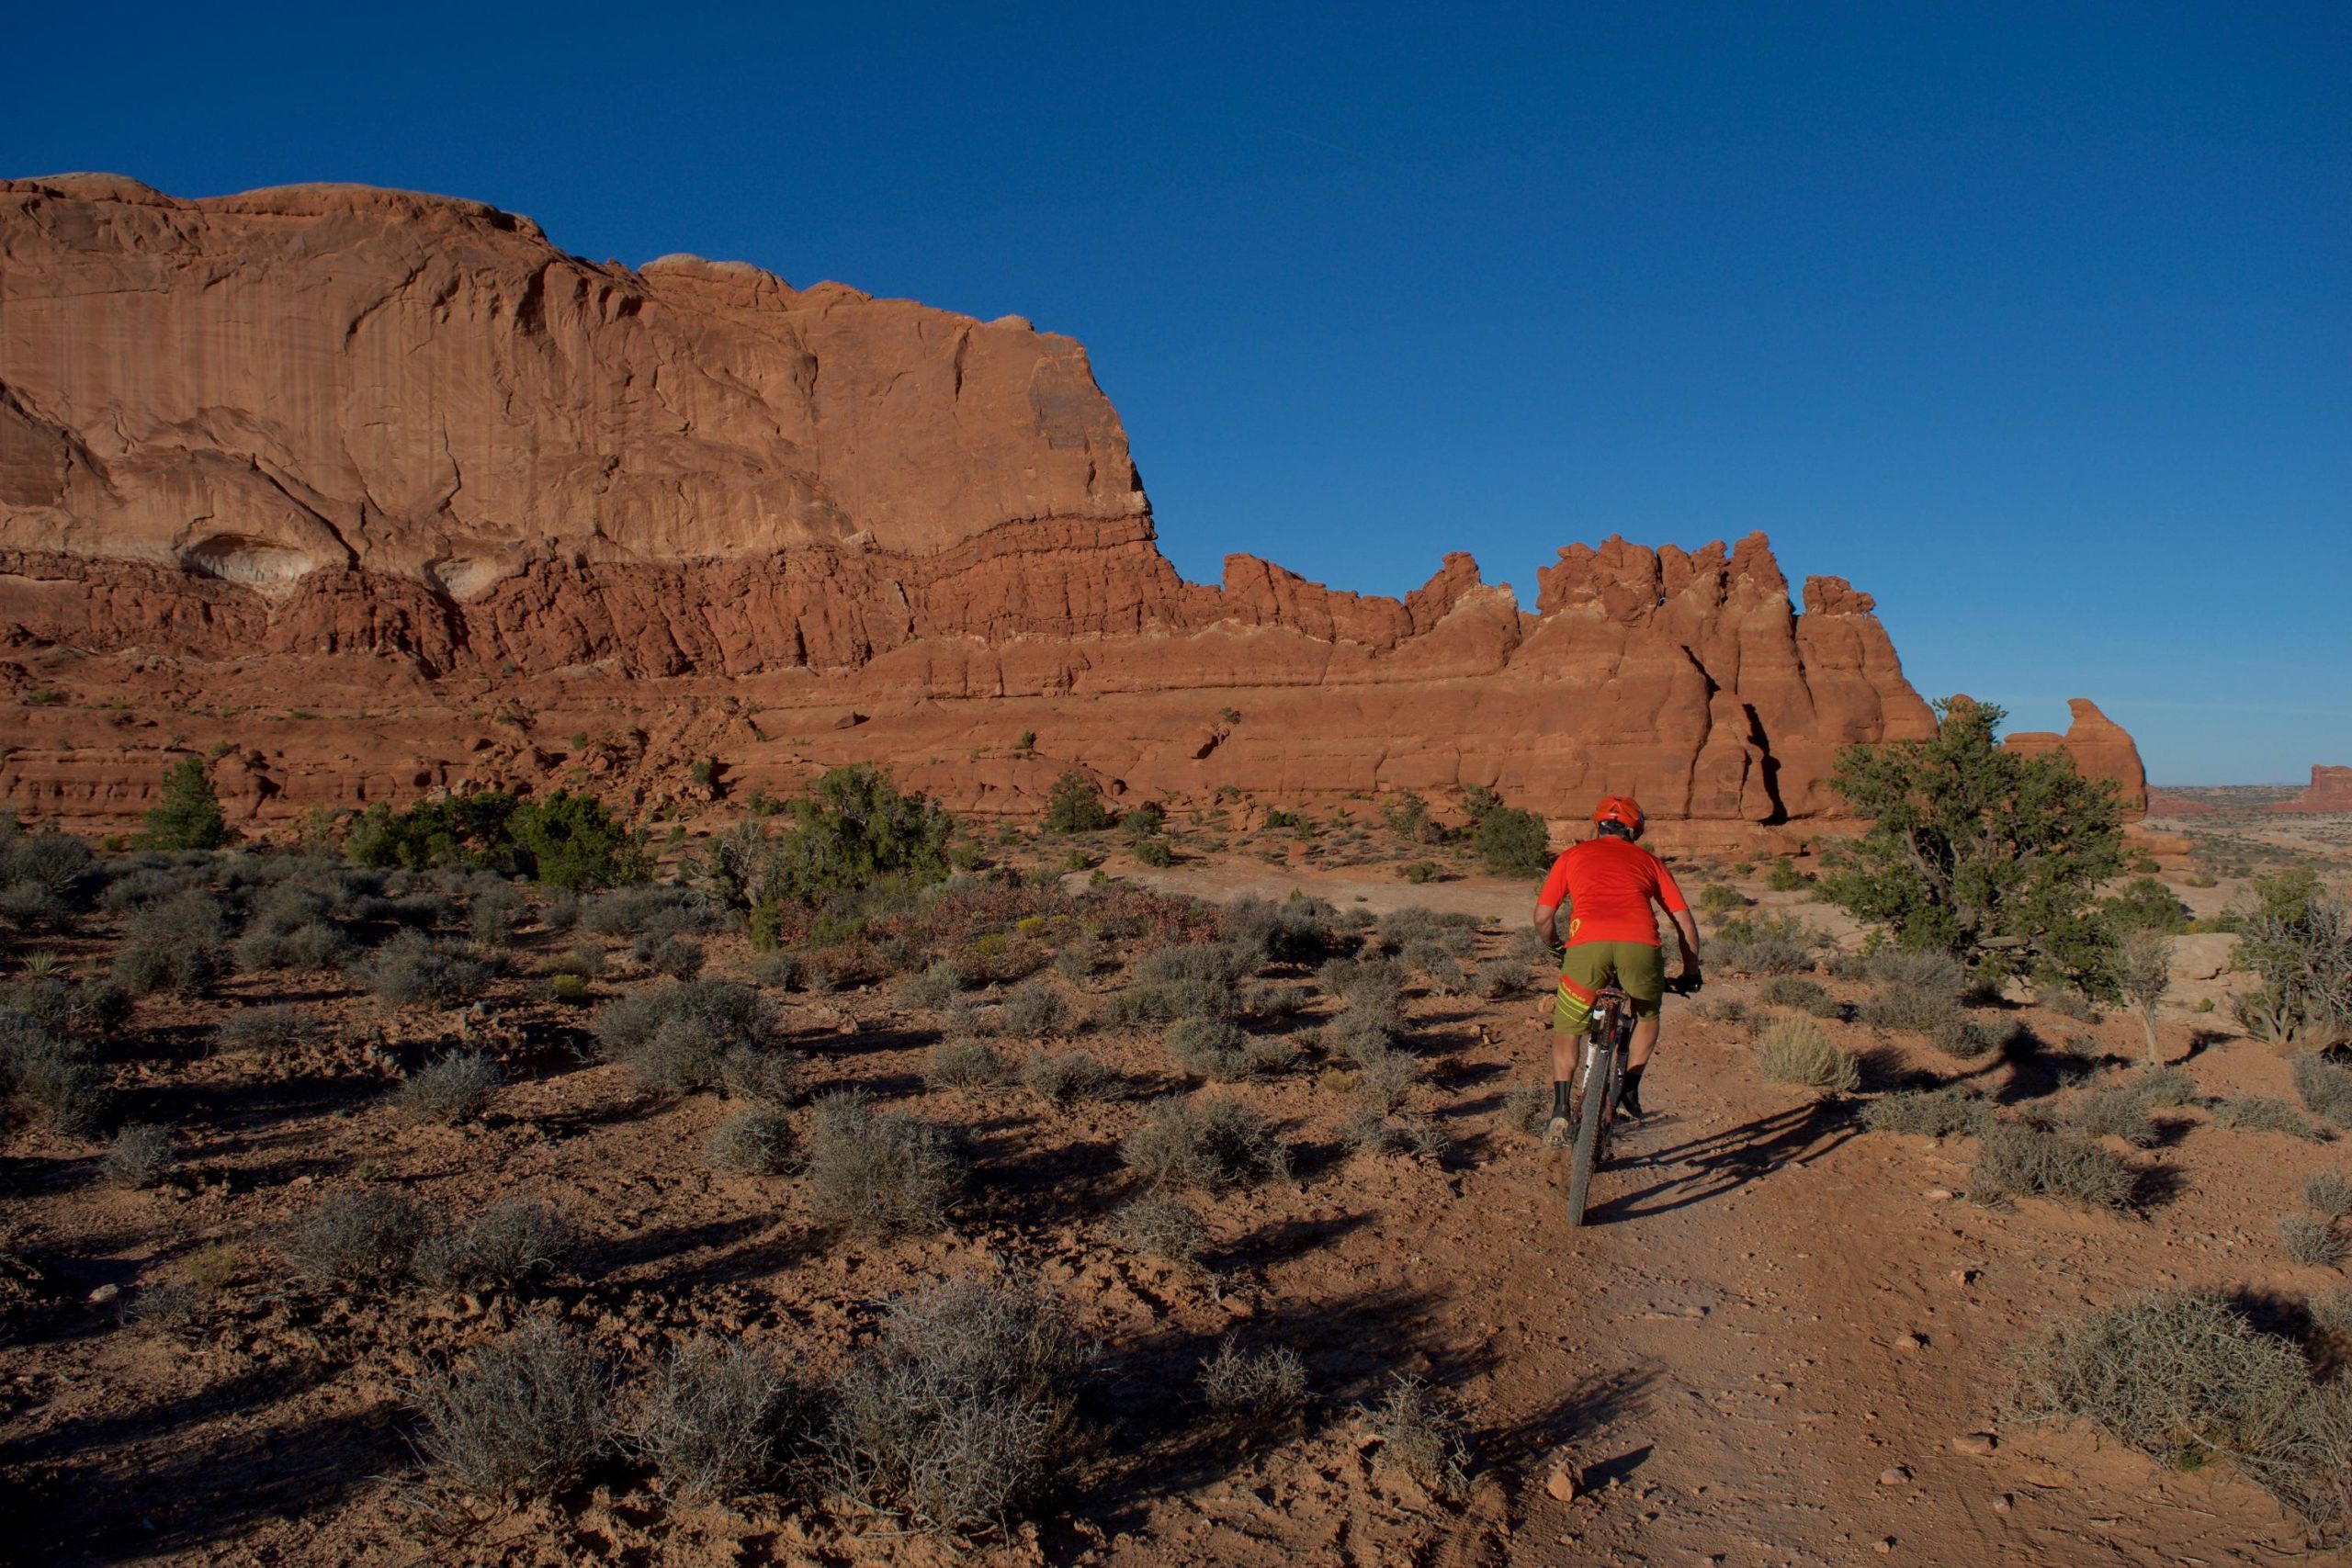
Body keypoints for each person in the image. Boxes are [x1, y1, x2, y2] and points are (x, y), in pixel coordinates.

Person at [1532, 794, 1702, 1143]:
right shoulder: (1650, 861)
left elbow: (1543, 917)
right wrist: (1691, 970)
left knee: (1567, 1027)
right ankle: (1629, 1093)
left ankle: (1561, 1111)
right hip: (1639, 945)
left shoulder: (1571, 856)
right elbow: (1684, 922)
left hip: (1586, 945)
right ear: (1635, 831)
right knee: (1647, 1012)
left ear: (1598, 827)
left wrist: (1556, 947)